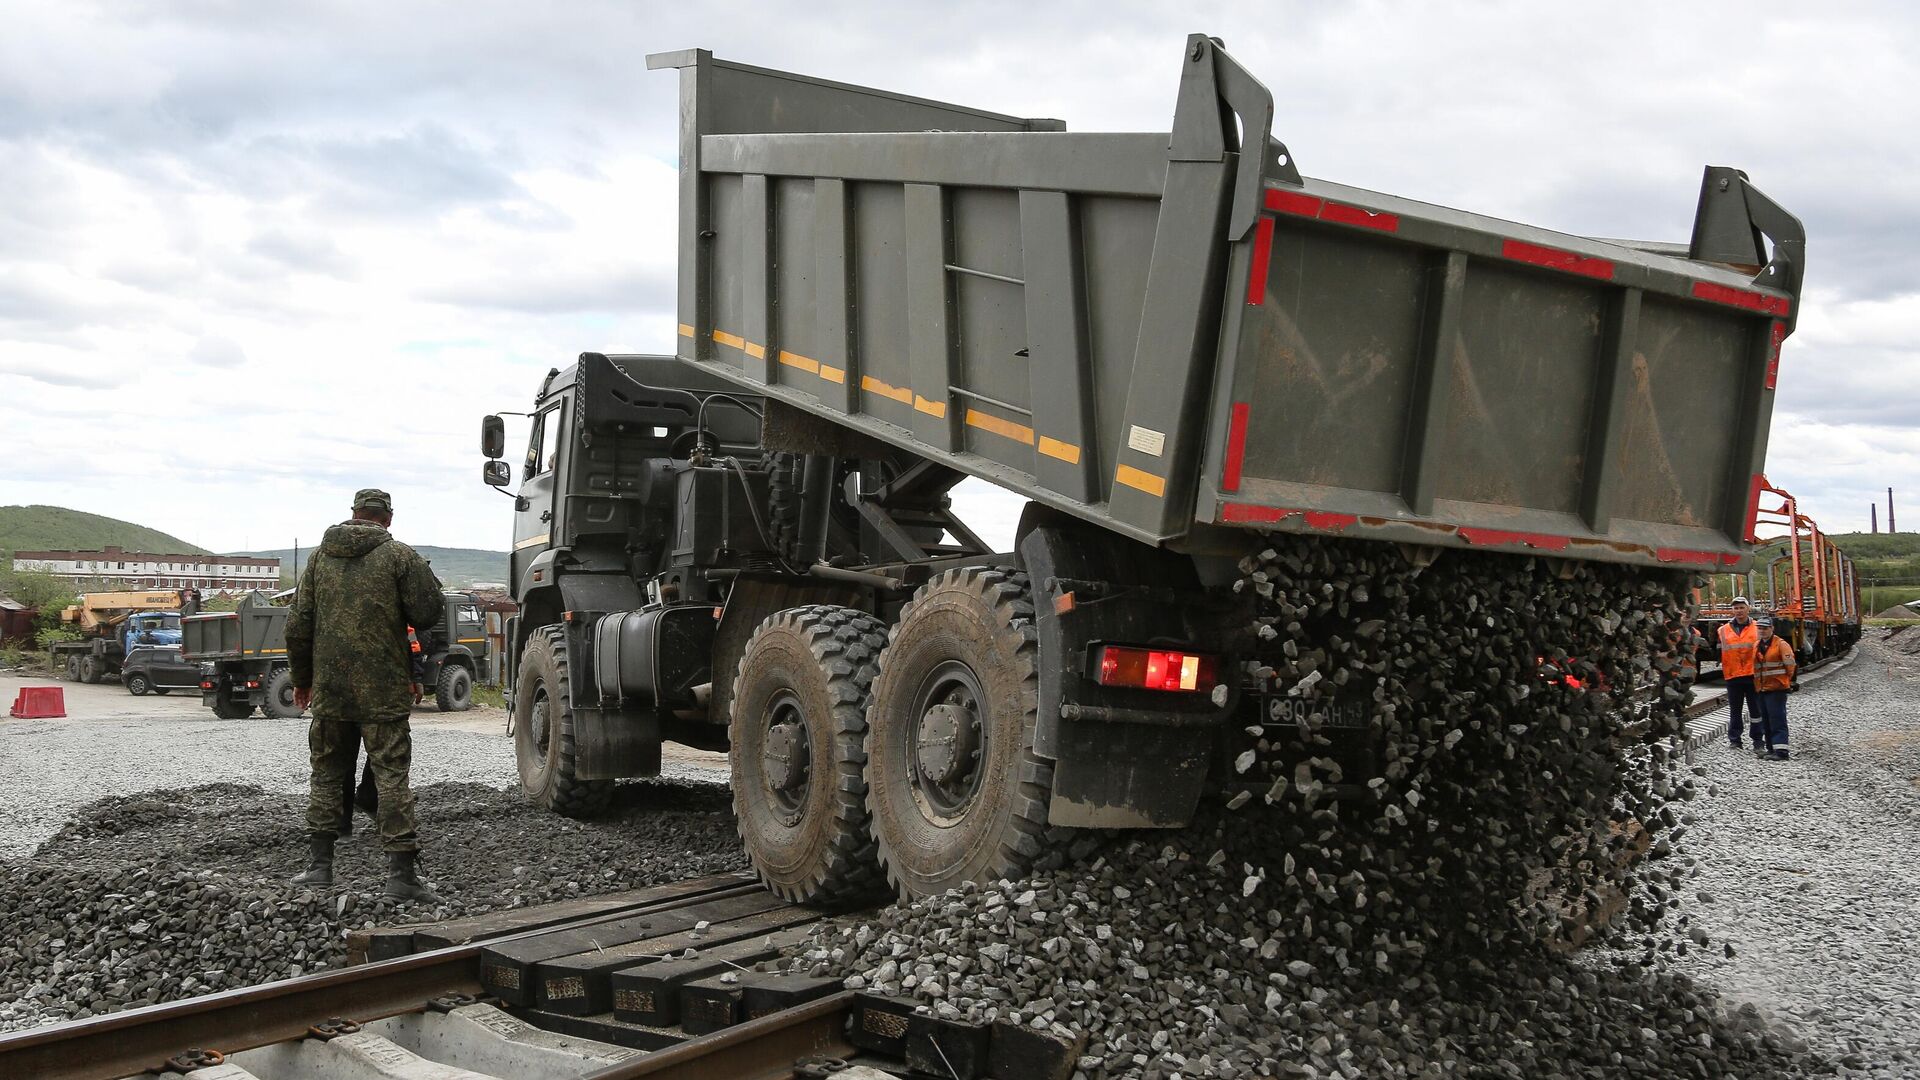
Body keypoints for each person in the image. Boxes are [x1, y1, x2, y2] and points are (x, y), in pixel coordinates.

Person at [285, 488, 445, 901]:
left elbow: (298, 624)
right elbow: (428, 613)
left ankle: (319, 868)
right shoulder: (399, 557)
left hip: (331, 691)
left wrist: (303, 680)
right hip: (383, 691)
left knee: (326, 773)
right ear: (387, 518)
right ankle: (401, 876)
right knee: (391, 777)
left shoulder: (320, 558)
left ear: (353, 514)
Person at [1718, 597, 1761, 751]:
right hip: (1733, 676)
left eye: (1741, 607)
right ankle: (1735, 740)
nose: (1739, 611)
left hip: (1752, 675)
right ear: (1732, 610)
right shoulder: (1723, 630)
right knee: (1735, 711)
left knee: (1756, 710)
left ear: (1748, 609)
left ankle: (1758, 740)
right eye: (1736, 608)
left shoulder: (1757, 627)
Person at [1751, 617, 1797, 760]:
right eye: (1760, 628)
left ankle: (1782, 751)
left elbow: (1790, 666)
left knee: (1777, 719)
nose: (1762, 631)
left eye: (1765, 628)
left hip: (1777, 688)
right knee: (1766, 719)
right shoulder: (1757, 645)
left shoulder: (1781, 645)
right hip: (1762, 688)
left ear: (1772, 628)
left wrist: (1784, 682)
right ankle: (1771, 749)